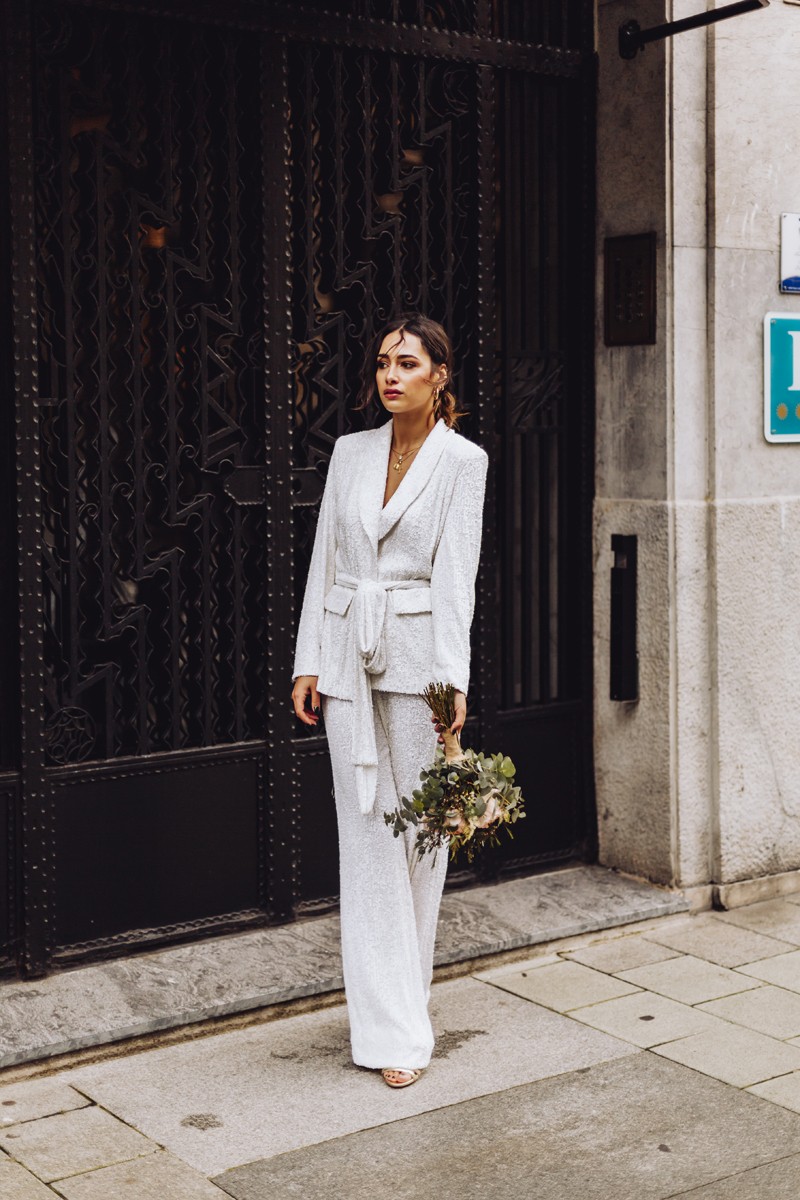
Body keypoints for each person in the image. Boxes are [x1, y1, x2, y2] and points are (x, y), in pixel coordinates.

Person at [291, 313, 488, 1089]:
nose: (390, 376)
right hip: (345, 656)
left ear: (440, 374)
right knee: (366, 840)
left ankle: (409, 1009)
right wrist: (309, 660)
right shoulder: (350, 451)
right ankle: (389, 1030)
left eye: (407, 363)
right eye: (381, 363)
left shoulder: (462, 462)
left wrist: (452, 684)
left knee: (420, 844)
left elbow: (456, 581)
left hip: (414, 667)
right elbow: (324, 560)